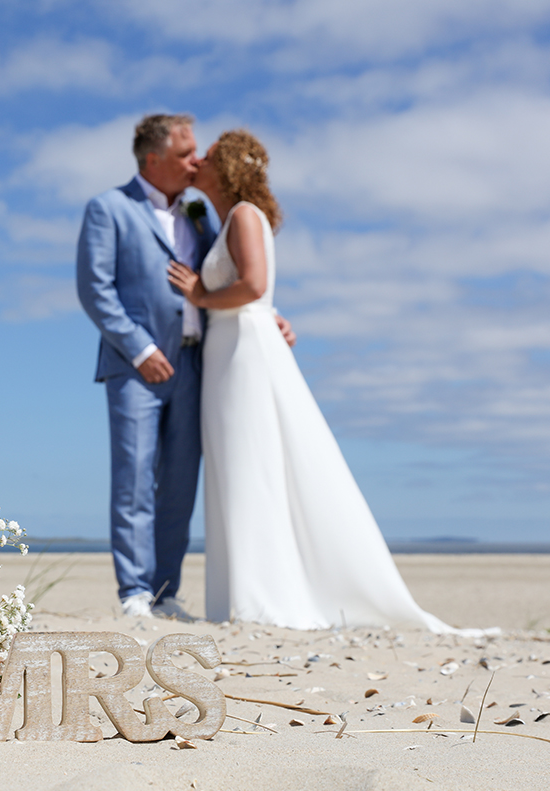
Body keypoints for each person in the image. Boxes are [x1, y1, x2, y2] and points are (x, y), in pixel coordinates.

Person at [167, 129, 454, 631]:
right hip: (230, 348)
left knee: (250, 461)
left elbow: (253, 286)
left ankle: (259, 597)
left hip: (241, 353)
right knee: (238, 463)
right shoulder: (229, 220)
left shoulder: (243, 216)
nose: (199, 163)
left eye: (208, 157)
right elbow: (256, 293)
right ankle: (247, 593)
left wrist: (199, 296)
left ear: (229, 168)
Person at [76, 114, 295, 620]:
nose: (195, 161)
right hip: (136, 366)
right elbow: (95, 289)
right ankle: (133, 593)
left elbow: (231, 273)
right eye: (184, 154)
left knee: (179, 483)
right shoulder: (108, 209)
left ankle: (164, 591)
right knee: (133, 478)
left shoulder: (199, 214)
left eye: (197, 151)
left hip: (198, 363)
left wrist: (271, 318)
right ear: (152, 159)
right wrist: (140, 348)